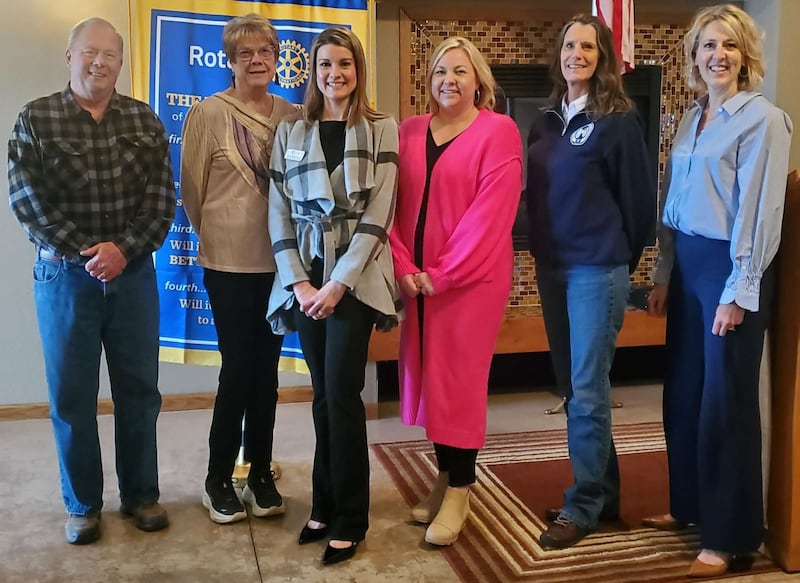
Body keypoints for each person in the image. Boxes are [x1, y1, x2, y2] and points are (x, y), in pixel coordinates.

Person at [7, 17, 175, 544]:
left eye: (109, 55)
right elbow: (25, 199)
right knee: (72, 397)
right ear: (69, 56)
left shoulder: (143, 120)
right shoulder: (36, 118)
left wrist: (121, 250)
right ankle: (82, 504)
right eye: (89, 53)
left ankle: (141, 495)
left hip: (133, 276)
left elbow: (161, 199)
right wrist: (88, 252)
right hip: (63, 277)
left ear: (121, 64)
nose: (98, 62)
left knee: (140, 393)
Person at [643, 4, 792, 577]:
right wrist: (662, 273)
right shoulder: (691, 119)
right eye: (707, 45)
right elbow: (674, 206)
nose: (717, 55)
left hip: (731, 269)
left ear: (745, 55)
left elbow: (759, 214)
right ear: (693, 57)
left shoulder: (763, 119)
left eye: (728, 45)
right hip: (687, 268)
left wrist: (739, 290)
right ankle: (690, 508)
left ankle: (730, 536)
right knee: (683, 392)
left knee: (724, 401)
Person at [267, 27, 399, 566]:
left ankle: (350, 517)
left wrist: (338, 283)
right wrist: (298, 281)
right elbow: (277, 206)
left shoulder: (379, 126)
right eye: (324, 64)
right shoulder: (291, 128)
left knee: (343, 396)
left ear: (357, 69)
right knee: (322, 396)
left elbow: (379, 212)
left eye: (344, 63)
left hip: (355, 276)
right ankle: (322, 505)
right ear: (313, 70)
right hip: (303, 276)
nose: (334, 73)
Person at [525, 14, 656, 549]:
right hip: (552, 268)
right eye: (568, 45)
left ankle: (581, 507)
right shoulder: (545, 120)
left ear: (603, 56)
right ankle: (605, 497)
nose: (576, 53)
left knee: (586, 388)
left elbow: (639, 204)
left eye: (587, 45)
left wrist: (616, 263)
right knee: (577, 390)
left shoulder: (619, 119)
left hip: (596, 270)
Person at [389, 36, 522, 547]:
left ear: (479, 81)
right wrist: (404, 265)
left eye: (461, 72)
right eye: (441, 71)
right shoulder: (408, 131)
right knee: (429, 380)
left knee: (459, 383)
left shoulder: (499, 131)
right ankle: (445, 476)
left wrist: (440, 275)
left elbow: (489, 219)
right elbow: (393, 207)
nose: (450, 80)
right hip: (415, 283)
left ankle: (463, 488)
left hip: (468, 284)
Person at [181, 13, 297, 526]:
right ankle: (217, 477)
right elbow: (192, 191)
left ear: (277, 58)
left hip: (279, 265)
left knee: (266, 374)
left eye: (265, 51)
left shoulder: (292, 115)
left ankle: (260, 474)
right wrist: (223, 230)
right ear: (229, 61)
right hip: (228, 264)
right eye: (245, 53)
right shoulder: (208, 113)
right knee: (237, 372)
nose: (256, 61)